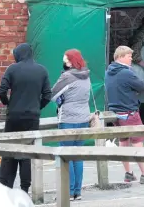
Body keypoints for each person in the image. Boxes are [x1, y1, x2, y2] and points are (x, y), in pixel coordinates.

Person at [0, 43, 52, 193]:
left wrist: (8, 104)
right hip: (32, 117)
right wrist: (37, 107)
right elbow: (48, 95)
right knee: (27, 152)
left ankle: (6, 186)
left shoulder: (13, 69)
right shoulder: (42, 70)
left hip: (14, 116)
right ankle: (24, 188)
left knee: (9, 151)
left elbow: (2, 91)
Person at [50, 49, 91, 201]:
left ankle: (67, 191)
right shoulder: (86, 75)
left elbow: (52, 95)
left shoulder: (67, 76)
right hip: (84, 118)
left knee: (66, 155)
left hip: (68, 119)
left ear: (70, 61)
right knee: (77, 156)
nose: (64, 61)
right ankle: (77, 191)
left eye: (66, 59)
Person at [105, 45, 144, 184]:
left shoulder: (108, 72)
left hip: (115, 113)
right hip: (130, 112)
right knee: (137, 143)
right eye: (129, 56)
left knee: (123, 142)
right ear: (121, 57)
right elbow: (141, 86)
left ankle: (128, 173)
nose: (131, 59)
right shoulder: (126, 72)